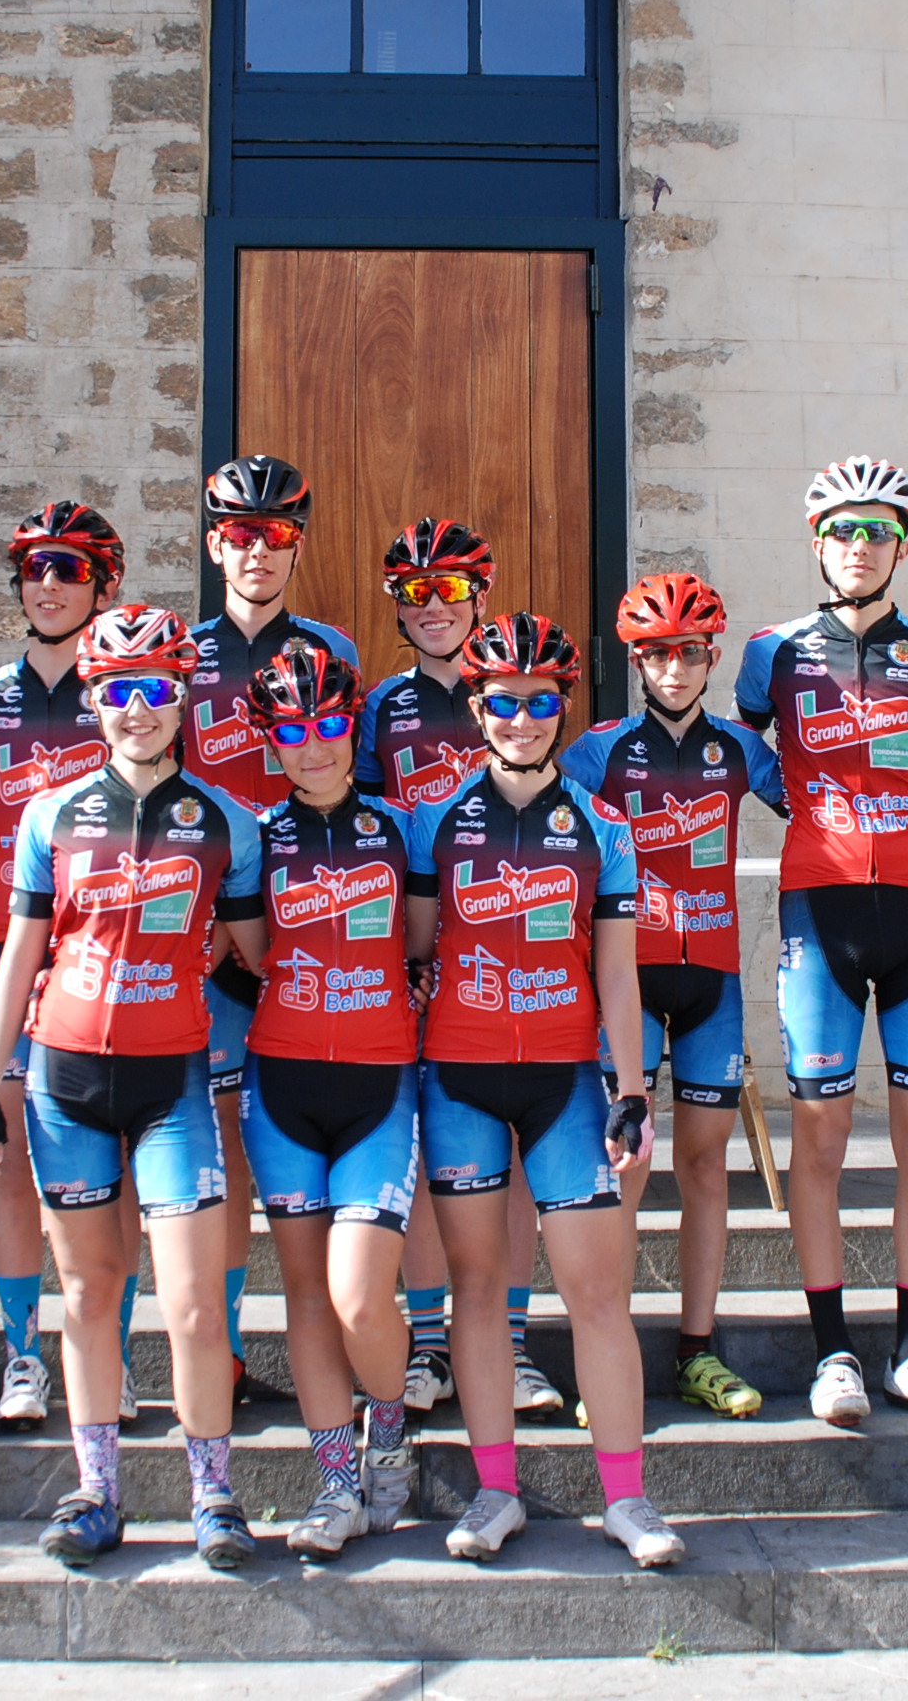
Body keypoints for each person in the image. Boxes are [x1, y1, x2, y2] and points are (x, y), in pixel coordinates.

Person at [0, 605, 266, 1568]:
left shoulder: (229, 821)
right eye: (118, 689)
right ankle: (97, 1491)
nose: (138, 708)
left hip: (174, 1084)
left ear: (184, 696)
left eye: (157, 687)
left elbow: (259, 950)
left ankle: (214, 1495)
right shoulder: (49, 814)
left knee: (194, 1305)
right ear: (93, 699)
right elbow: (20, 959)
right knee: (91, 1295)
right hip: (65, 1082)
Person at [406, 612, 685, 1570]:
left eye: (538, 702)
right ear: (476, 707)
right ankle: (496, 1492)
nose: (520, 720)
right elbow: (416, 951)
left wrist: (632, 1089)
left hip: (567, 1082)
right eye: (502, 703)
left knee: (597, 1294)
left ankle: (628, 1499)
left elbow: (618, 973)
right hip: (460, 1080)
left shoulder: (603, 826)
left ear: (563, 706)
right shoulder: (433, 819)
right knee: (479, 1289)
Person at [734, 457, 908, 1427]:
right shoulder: (769, 653)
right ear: (817, 542)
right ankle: (832, 1351)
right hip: (821, 909)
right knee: (822, 1134)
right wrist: (802, 806)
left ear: (901, 547)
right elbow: (739, 754)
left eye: (876, 530)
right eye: (841, 529)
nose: (858, 545)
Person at [561, 572, 786, 1421]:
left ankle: (698, 1349)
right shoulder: (600, 751)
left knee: (703, 1166)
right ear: (637, 662)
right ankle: (608, 1353)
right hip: (628, 979)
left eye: (689, 653)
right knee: (625, 1166)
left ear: (711, 658)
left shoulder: (742, 749)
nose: (675, 669)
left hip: (712, 982)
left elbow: (822, 804)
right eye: (657, 655)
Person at [0, 501, 124, 1428]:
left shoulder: (125, 688)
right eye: (36, 568)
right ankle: (22, 1360)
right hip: (11, 951)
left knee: (106, 1169)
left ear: (103, 586)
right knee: (8, 1166)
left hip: (106, 956)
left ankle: (109, 1360)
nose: (49, 584)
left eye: (69, 569)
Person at [356, 519, 554, 1421]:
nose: (432, 606)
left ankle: (511, 1344)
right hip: (414, 947)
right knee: (430, 1150)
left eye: (449, 589)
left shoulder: (515, 687)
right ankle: (431, 1343)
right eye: (413, 592)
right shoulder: (379, 706)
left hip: (509, 944)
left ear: (482, 593)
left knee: (508, 1157)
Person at [238, 640, 424, 1560]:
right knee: (307, 1295)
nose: (311, 747)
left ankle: (387, 1428)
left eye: (328, 726)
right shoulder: (253, 837)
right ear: (270, 741)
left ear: (355, 728)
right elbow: (247, 956)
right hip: (281, 1085)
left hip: (378, 1086)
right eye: (290, 732)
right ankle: (335, 1482)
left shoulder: (404, 828)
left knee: (358, 1296)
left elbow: (423, 946)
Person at [186, 456, 358, 1395]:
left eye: (277, 534)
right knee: (222, 1148)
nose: (259, 551)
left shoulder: (331, 649)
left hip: (315, 928)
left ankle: (334, 1347)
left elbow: (358, 788)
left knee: (311, 1141)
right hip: (212, 938)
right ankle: (224, 1349)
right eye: (241, 534)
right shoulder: (180, 653)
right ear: (216, 544)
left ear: (298, 546)